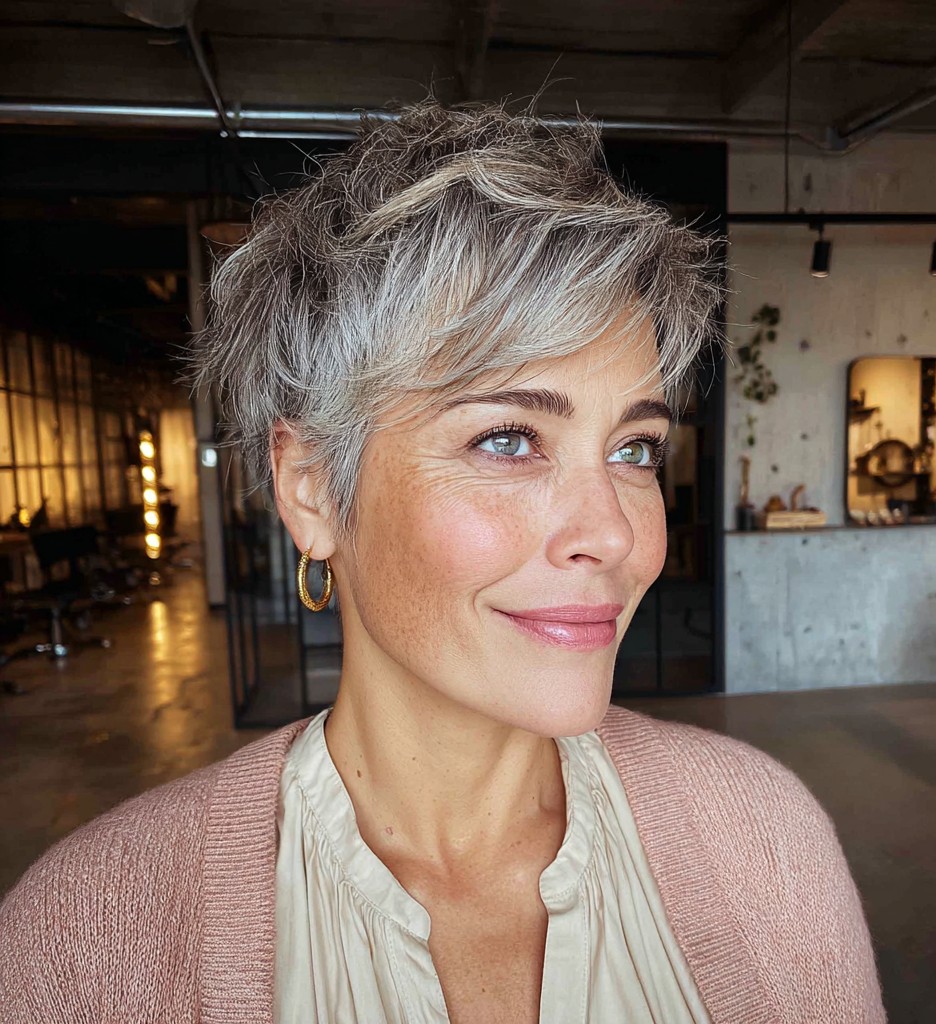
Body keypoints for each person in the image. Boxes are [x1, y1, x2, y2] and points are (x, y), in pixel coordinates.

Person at [0, 101, 886, 1023]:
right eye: (508, 439)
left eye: (634, 450)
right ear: (311, 488)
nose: (614, 535)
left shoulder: (764, 838)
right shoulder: (83, 944)